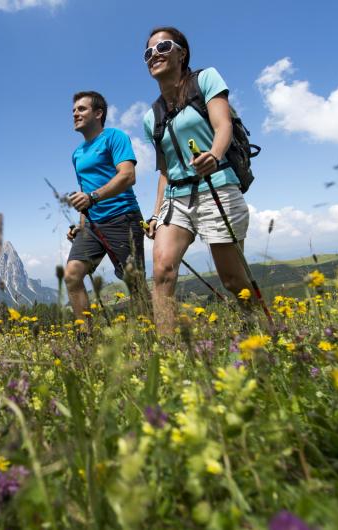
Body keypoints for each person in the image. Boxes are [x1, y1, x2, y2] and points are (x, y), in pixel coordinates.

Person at [142, 27, 253, 336]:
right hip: (176, 196)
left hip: (217, 184)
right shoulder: (152, 116)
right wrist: (155, 212)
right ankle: (167, 353)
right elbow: (164, 170)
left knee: (233, 280)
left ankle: (258, 329)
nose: (155, 55)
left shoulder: (205, 80)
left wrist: (214, 156)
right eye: (148, 52)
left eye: (163, 46)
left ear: (182, 53)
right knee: (162, 271)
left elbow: (223, 125)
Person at [65, 91, 145, 321]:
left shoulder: (114, 137)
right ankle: (86, 337)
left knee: (135, 283)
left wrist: (93, 197)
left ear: (98, 113)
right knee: (72, 275)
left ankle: (154, 338)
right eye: (73, 110)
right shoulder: (77, 154)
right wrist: (81, 225)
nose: (75, 114)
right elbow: (84, 193)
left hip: (122, 217)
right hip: (92, 223)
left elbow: (128, 176)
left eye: (81, 109)